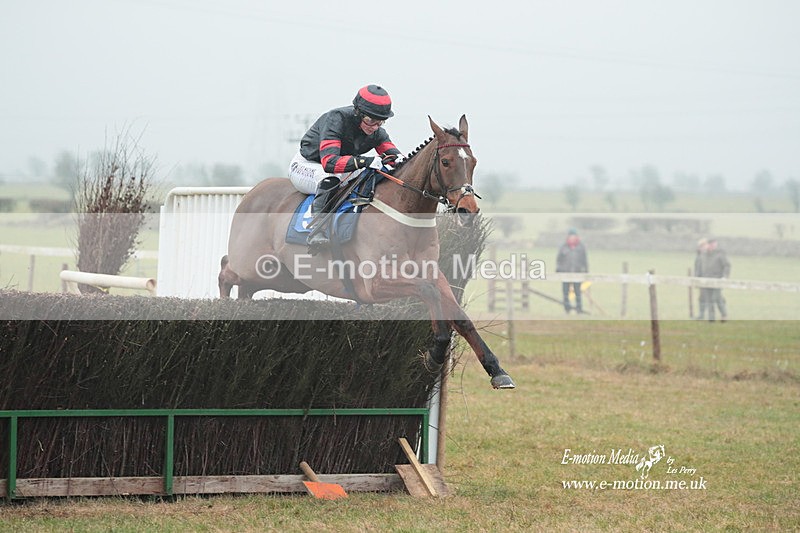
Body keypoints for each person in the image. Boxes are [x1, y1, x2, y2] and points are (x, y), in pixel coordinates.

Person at [288, 84, 404, 247]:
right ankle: (317, 229)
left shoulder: (377, 131)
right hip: (308, 165)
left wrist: (402, 161)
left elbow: (394, 157)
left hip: (342, 168)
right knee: (330, 178)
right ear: (358, 113)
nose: (374, 127)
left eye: (380, 122)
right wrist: (365, 161)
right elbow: (329, 163)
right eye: (370, 120)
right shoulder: (336, 119)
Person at [555, 228, 589, 314]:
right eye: (571, 236)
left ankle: (579, 309)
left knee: (577, 292)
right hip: (565, 272)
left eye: (574, 236)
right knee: (565, 292)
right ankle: (567, 308)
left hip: (577, 272)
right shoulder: (563, 247)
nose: (572, 238)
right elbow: (559, 259)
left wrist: (586, 271)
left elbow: (584, 260)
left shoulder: (581, 247)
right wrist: (558, 269)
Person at [700, 237, 731, 322]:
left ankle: (724, 315)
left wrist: (725, 276)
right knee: (708, 299)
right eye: (710, 244)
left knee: (716, 297)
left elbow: (727, 265)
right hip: (706, 280)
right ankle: (711, 318)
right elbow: (702, 266)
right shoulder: (704, 254)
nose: (712, 246)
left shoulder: (720, 254)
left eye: (714, 244)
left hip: (717, 280)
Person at [693, 237, 709, 320]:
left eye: (703, 245)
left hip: (706, 279)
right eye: (701, 246)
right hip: (700, 279)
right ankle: (701, 314)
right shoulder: (699, 256)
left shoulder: (707, 256)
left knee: (709, 298)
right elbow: (697, 268)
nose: (702, 247)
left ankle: (706, 315)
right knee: (702, 298)